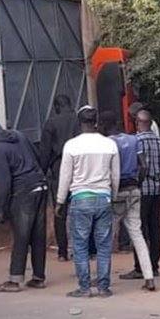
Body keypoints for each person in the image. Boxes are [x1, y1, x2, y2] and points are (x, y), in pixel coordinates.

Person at [0, 117, 47, 293]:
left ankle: (14, 281)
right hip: (41, 186)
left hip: (23, 192)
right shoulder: (18, 135)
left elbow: (4, 181)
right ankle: (38, 278)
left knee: (21, 236)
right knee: (38, 234)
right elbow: (37, 156)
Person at [55, 106, 120, 298]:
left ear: (79, 122)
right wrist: (112, 196)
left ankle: (84, 288)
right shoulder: (109, 145)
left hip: (80, 199)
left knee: (80, 246)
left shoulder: (71, 145)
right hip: (103, 198)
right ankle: (103, 287)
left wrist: (60, 201)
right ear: (97, 122)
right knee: (104, 246)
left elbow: (65, 176)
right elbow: (115, 175)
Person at [100, 111, 157, 292]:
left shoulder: (108, 143)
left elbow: (107, 170)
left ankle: (103, 278)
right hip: (134, 190)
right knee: (138, 235)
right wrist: (137, 183)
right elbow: (145, 166)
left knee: (106, 237)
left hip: (117, 192)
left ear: (103, 126)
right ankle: (149, 278)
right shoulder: (134, 140)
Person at [122, 109, 160, 279]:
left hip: (142, 190)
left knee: (139, 228)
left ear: (137, 123)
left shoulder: (135, 142)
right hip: (157, 190)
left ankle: (140, 267)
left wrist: (138, 182)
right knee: (155, 226)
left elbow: (139, 167)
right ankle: (154, 265)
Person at [40, 94, 80, 261]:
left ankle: (62, 251)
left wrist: (42, 171)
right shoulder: (80, 120)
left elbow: (45, 151)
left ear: (57, 107)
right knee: (80, 211)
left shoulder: (51, 123)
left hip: (59, 170)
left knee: (60, 211)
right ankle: (83, 249)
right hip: (80, 170)